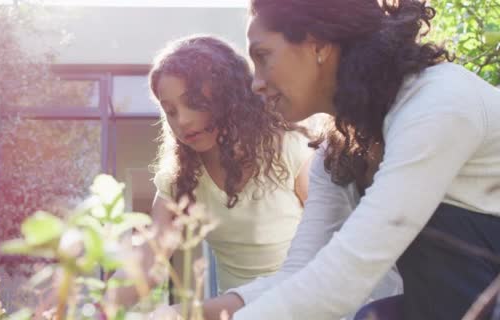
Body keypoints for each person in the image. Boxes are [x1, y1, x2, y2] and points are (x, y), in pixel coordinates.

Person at [153, 0, 500, 319]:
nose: (256, 84)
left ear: (317, 45)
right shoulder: (339, 150)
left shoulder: (438, 104)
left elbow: (344, 279)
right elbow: (301, 275)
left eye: (263, 56)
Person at [104, 35, 313, 308]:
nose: (183, 120)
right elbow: (148, 259)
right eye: (170, 110)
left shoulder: (289, 150)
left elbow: (327, 248)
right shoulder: (180, 178)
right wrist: (96, 309)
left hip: (303, 305)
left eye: (193, 102)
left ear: (230, 96)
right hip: (235, 312)